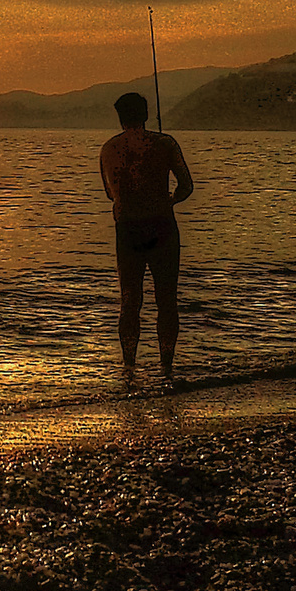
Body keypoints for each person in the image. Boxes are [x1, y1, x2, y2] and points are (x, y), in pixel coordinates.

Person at [99, 91, 193, 378]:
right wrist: (169, 199)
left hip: (127, 229)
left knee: (130, 300)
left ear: (120, 117)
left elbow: (108, 193)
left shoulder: (108, 149)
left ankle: (129, 365)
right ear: (146, 114)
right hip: (162, 226)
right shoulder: (165, 143)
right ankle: (166, 365)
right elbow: (186, 186)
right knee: (167, 300)